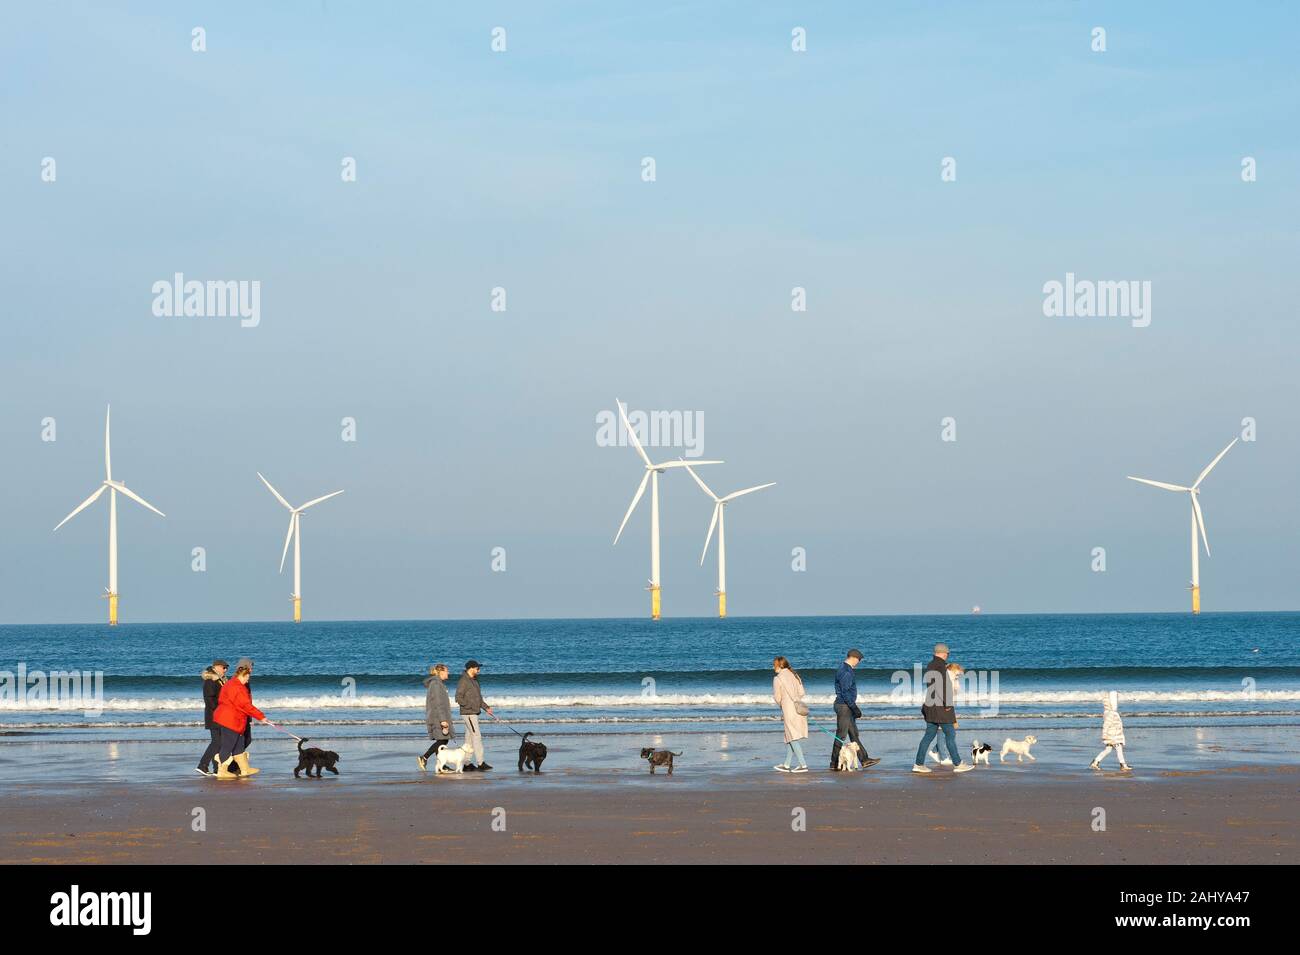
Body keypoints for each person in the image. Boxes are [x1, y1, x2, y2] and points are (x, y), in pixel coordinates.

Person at [913, 643, 972, 774]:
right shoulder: (940, 666)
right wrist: (948, 705)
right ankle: (958, 763)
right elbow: (942, 688)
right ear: (944, 653)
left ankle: (918, 764)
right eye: (947, 653)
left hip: (930, 706)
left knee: (928, 736)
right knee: (950, 734)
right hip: (940, 707)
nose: (947, 656)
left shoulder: (930, 665)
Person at [212, 663, 267, 779]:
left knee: (239, 745)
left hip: (235, 719)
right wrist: (261, 717)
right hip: (230, 720)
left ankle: (244, 769)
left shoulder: (232, 683)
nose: (248, 680)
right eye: (247, 677)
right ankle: (222, 771)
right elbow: (245, 705)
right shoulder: (236, 687)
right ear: (243, 675)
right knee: (228, 745)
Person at [830, 649, 880, 771]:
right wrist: (854, 708)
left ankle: (864, 760)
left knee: (854, 735)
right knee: (841, 735)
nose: (859, 662)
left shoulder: (844, 668)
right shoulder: (846, 671)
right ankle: (834, 762)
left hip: (845, 706)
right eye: (859, 660)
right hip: (844, 706)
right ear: (854, 658)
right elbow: (846, 693)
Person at [772, 657, 810, 773]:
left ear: (779, 665)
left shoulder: (778, 679)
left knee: (792, 737)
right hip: (798, 708)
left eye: (774, 665)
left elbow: (777, 698)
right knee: (790, 736)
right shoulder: (795, 675)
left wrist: (782, 703)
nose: (773, 667)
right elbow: (802, 693)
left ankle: (803, 765)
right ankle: (787, 764)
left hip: (788, 710)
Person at [454, 660, 493, 771]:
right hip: (469, 713)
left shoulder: (475, 681)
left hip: (474, 712)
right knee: (477, 737)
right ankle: (481, 763)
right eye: (477, 668)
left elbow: (479, 698)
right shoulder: (464, 681)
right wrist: (469, 706)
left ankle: (466, 763)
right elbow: (458, 697)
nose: (478, 670)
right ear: (471, 668)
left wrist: (486, 708)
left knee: (470, 738)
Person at [418, 663, 456, 771]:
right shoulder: (436, 684)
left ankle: (441, 766)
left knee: (443, 740)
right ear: (441, 672)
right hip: (437, 717)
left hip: (438, 716)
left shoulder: (439, 683)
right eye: (447, 671)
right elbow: (438, 704)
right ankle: (424, 757)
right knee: (442, 740)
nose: (448, 673)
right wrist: (443, 720)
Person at [195, 659, 228, 776]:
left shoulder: (220, 680)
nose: (225, 670)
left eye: (226, 668)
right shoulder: (211, 681)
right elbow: (209, 700)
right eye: (224, 667)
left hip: (220, 715)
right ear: (216, 667)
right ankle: (202, 765)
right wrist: (221, 710)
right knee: (217, 742)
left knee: (219, 741)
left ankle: (216, 768)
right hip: (214, 716)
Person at [927, 663, 965, 766]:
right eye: (957, 673)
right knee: (944, 731)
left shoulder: (953, 679)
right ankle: (943, 757)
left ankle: (935, 751)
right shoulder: (946, 678)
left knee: (947, 731)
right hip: (940, 706)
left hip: (947, 706)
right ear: (953, 670)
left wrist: (956, 681)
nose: (958, 675)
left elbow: (954, 693)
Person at [1090, 691, 1131, 771]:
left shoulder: (1112, 713)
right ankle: (1123, 765)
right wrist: (1104, 735)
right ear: (1111, 704)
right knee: (1119, 749)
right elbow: (1106, 725)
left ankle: (1095, 762)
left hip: (1115, 734)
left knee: (1108, 750)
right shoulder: (1110, 713)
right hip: (1113, 736)